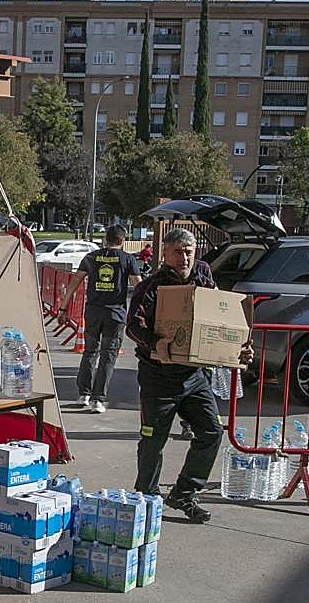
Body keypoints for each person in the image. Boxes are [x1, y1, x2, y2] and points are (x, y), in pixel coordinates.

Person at [126, 228, 253, 523]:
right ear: (165, 254)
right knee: (153, 440)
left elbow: (219, 320)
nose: (184, 257)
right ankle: (146, 497)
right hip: (159, 376)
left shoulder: (203, 277)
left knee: (211, 432)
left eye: (189, 251)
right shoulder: (152, 286)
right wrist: (155, 343)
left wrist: (239, 349)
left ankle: (184, 492)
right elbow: (133, 325)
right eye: (178, 252)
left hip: (195, 376)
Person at [56, 224, 143, 413]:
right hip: (116, 314)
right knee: (108, 356)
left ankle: (83, 394)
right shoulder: (127, 259)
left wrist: (63, 307)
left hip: (93, 312)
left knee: (90, 352)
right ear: (123, 241)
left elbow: (75, 282)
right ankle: (98, 399)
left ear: (105, 239)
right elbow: (139, 287)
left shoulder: (91, 257)